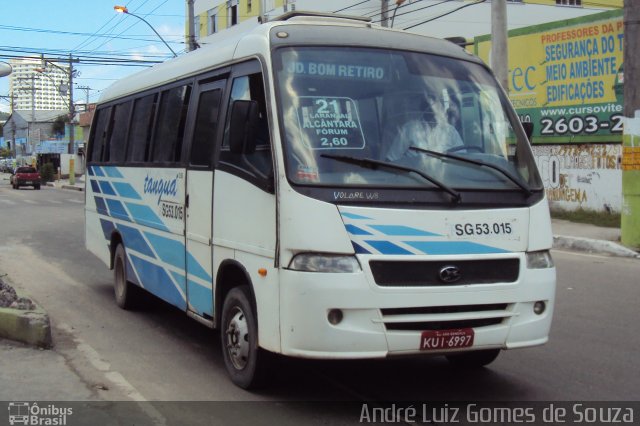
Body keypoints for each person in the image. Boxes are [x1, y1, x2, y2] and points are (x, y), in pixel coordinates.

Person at [385, 94, 463, 162]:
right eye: (431, 110)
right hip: (415, 176)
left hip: (444, 176)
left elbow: (463, 157)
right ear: (424, 110)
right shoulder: (409, 129)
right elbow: (391, 159)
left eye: (438, 109)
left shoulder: (450, 131)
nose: (435, 114)